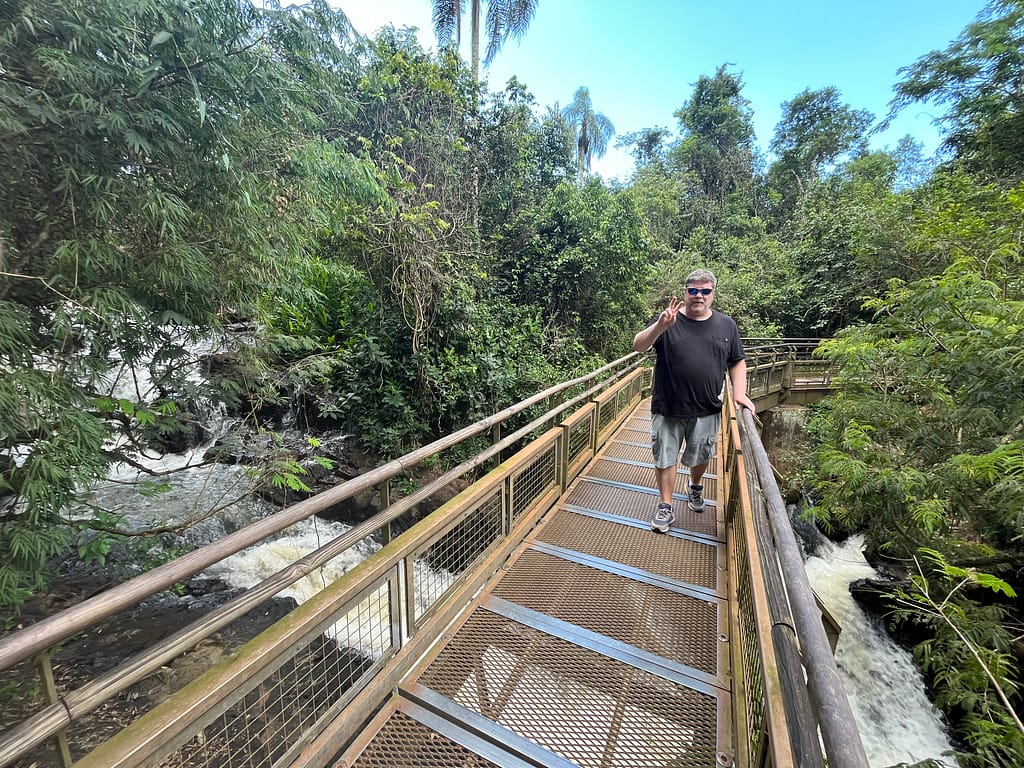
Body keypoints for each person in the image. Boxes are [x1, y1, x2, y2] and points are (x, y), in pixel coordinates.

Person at [632, 268, 755, 533]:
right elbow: (639, 345)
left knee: (701, 455)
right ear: (685, 293)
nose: (699, 296)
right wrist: (660, 326)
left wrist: (739, 392)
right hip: (668, 406)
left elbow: (737, 361)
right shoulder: (668, 319)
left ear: (713, 294)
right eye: (693, 291)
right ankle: (665, 506)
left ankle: (695, 486)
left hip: (707, 408)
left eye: (705, 291)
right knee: (664, 457)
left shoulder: (726, 325)